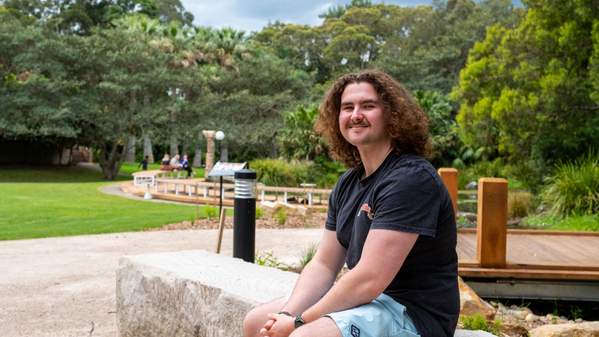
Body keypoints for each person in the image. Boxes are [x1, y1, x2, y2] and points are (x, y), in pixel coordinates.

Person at [243, 70, 459, 337]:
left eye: (368, 106)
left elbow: (369, 279)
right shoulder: (349, 183)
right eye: (347, 107)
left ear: (392, 115)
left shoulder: (410, 179)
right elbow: (323, 265)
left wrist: (300, 323)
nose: (356, 114)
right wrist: (288, 314)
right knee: (256, 322)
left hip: (411, 314)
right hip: (369, 303)